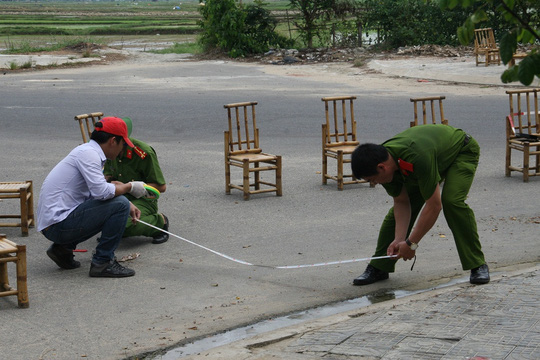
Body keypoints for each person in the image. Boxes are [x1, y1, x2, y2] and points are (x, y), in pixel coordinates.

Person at [350, 124, 490, 286]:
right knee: (397, 211)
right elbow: (401, 202)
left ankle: (477, 264)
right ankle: (380, 267)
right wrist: (399, 239)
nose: (373, 184)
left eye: (371, 180)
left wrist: (411, 244)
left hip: (460, 151)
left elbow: (434, 206)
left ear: (382, 168)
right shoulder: (385, 165)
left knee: (452, 201)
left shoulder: (416, 157)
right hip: (430, 158)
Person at [37, 117, 149, 278]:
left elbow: (95, 193)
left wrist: (119, 190)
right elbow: (102, 193)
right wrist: (129, 187)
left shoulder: (87, 151)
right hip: (57, 225)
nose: (122, 150)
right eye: (122, 145)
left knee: (119, 203)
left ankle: (62, 249)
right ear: (112, 141)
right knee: (121, 205)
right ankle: (103, 262)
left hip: (55, 222)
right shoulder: (89, 154)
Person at [103, 117, 169, 244]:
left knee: (123, 225)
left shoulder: (144, 153)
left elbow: (161, 187)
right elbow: (108, 174)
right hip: (119, 197)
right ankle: (114, 229)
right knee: (93, 216)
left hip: (143, 199)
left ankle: (160, 223)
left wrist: (130, 186)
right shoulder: (108, 151)